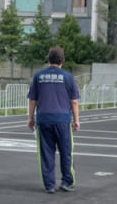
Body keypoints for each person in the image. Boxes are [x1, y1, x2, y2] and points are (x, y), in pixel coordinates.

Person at [27, 46, 80, 193]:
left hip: (43, 119)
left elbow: (33, 100)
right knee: (66, 151)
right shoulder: (68, 77)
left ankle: (50, 185)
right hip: (63, 119)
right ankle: (67, 182)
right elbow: (74, 101)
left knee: (46, 153)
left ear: (48, 59)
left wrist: (30, 118)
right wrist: (76, 120)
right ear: (62, 60)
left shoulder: (38, 76)